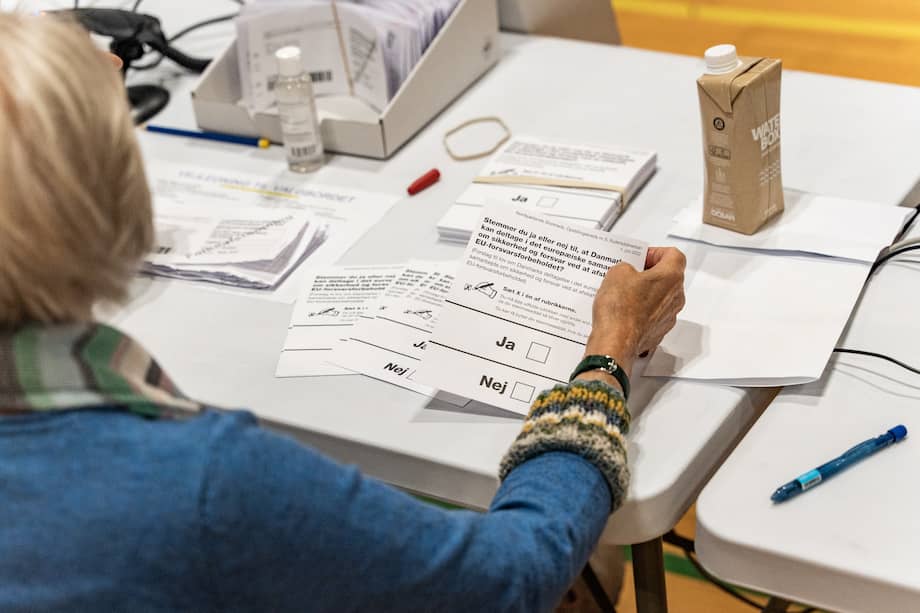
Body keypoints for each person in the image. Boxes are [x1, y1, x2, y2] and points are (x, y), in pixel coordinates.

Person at [0, 12, 686, 613]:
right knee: (585, 567)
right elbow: (505, 578)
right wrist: (608, 355)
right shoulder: (201, 481)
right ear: (113, 207)